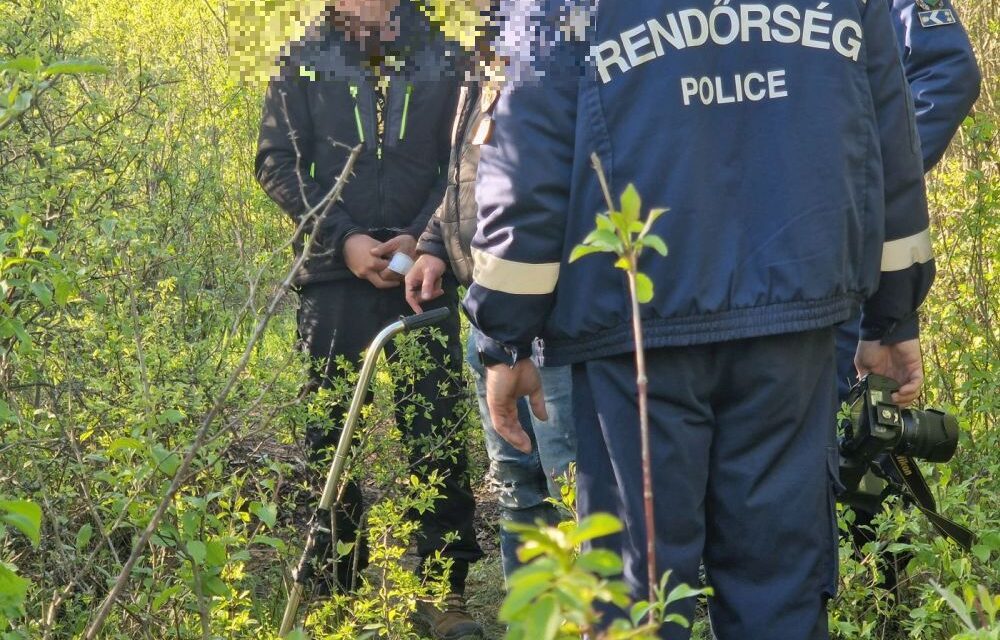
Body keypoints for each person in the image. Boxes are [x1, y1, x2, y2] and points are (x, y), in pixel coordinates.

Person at [464, 1, 934, 638]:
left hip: (634, 331)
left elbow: (528, 154)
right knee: (778, 591)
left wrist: (504, 334)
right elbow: (889, 134)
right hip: (789, 322)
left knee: (637, 597)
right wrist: (892, 317)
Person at [254, 1, 484, 637]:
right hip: (333, 275)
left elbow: (463, 162)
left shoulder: (445, 53)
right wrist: (344, 240)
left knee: (436, 428)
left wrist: (425, 239)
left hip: (425, 271)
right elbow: (275, 162)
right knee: (329, 432)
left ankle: (442, 591)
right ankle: (337, 591)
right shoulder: (302, 55)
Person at [403, 0, 576, 583]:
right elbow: (470, 175)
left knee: (573, 489)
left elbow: (543, 188)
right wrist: (435, 243)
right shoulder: (486, 54)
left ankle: (591, 617)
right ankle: (531, 616)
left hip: (556, 323)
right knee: (517, 487)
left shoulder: (555, 45)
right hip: (492, 316)